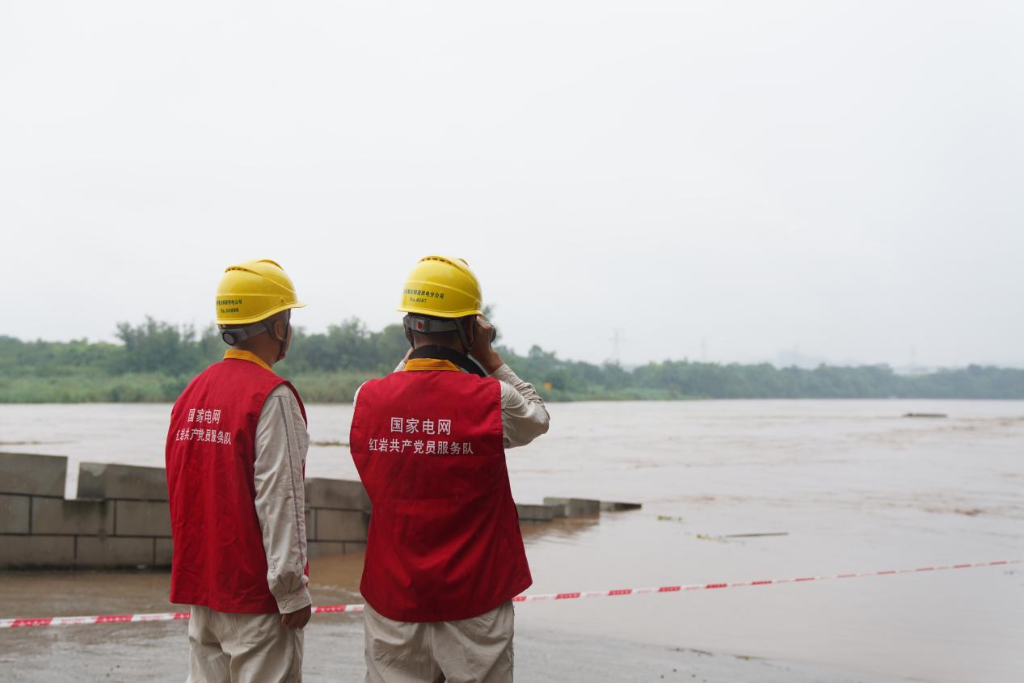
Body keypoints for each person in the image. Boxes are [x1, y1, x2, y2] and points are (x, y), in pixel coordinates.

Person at [350, 255, 550, 683]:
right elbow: (538, 418)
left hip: (394, 597)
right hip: (474, 598)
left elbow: (395, 388)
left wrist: (414, 354)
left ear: (408, 329)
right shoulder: (492, 399)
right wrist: (489, 356)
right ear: (469, 328)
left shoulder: (367, 398)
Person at [165, 259, 312, 683]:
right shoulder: (273, 396)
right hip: (257, 602)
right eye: (287, 317)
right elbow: (280, 498)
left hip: (203, 592)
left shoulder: (191, 392)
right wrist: (291, 589)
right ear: (277, 325)